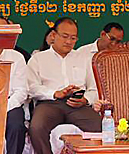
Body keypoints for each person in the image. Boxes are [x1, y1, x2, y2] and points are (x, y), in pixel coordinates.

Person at [26, 17, 100, 154]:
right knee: (37, 127)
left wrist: (85, 100)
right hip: (49, 104)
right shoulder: (38, 58)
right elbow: (31, 88)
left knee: (99, 126)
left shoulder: (83, 58)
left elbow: (94, 88)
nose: (68, 41)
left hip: (77, 104)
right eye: (65, 36)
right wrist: (54, 93)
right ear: (53, 35)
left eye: (73, 38)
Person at [0, 16, 29, 154]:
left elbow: (21, 91)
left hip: (9, 103)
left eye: (3, 30)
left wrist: (3, 107)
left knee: (16, 126)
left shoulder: (17, 57)